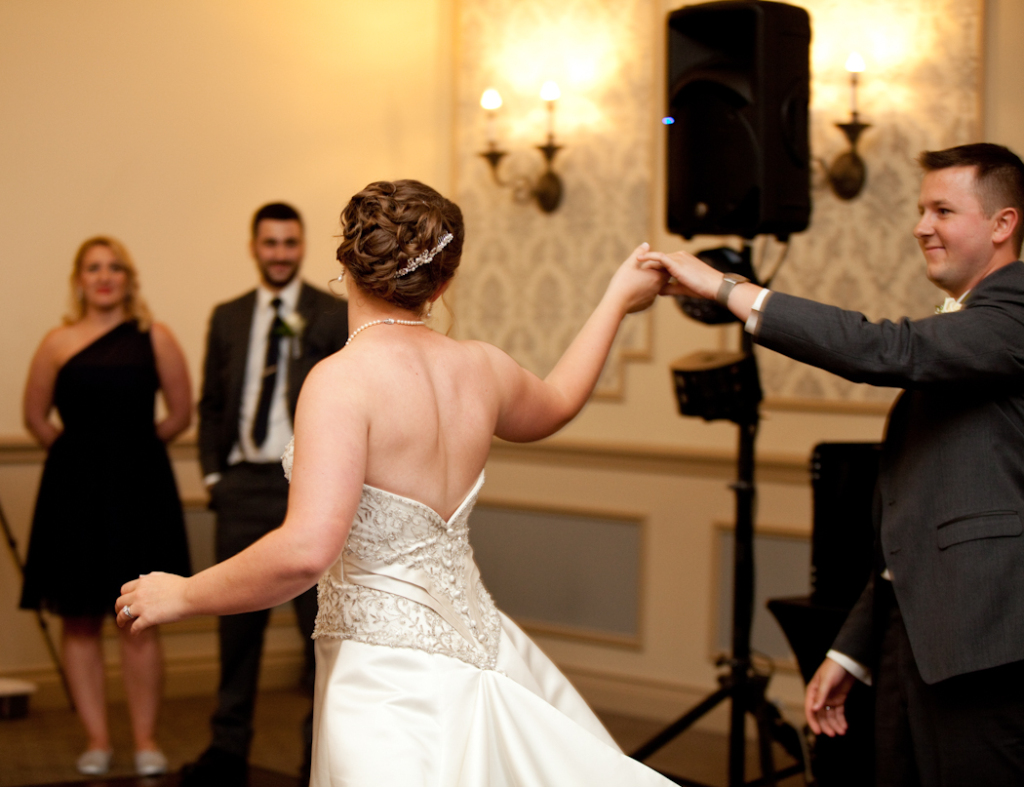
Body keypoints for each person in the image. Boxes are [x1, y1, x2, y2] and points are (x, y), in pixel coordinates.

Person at [116, 179, 675, 785]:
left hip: (384, 679)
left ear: (345, 264)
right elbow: (560, 400)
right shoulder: (481, 367)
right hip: (483, 649)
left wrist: (183, 594)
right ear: (442, 283)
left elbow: (306, 551)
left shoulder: (341, 380)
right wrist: (616, 299)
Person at [640, 143, 1024, 786]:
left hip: (986, 645)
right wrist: (852, 650)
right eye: (920, 209)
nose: (920, 226)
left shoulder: (1015, 314)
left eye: (942, 210)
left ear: (1002, 224)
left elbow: (884, 348)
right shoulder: (970, 325)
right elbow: (919, 523)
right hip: (915, 644)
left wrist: (729, 289)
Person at [185, 202, 348, 787]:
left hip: (307, 488)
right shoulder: (228, 316)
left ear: (301, 247)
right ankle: (227, 750)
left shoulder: (330, 314)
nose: (280, 254)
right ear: (254, 247)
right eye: (270, 243)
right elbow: (210, 404)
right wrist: (214, 478)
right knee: (236, 632)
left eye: (289, 243)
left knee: (317, 633)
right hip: (241, 489)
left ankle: (316, 759)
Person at [20, 236, 192, 777]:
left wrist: (130, 452)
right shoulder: (56, 341)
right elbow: (35, 417)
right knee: (78, 619)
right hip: (72, 495)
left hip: (140, 492)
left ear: (128, 279)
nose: (104, 276)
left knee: (137, 618)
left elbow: (180, 415)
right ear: (79, 279)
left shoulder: (155, 336)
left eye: (114, 267)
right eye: (93, 268)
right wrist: (80, 457)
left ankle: (145, 741)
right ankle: (96, 740)